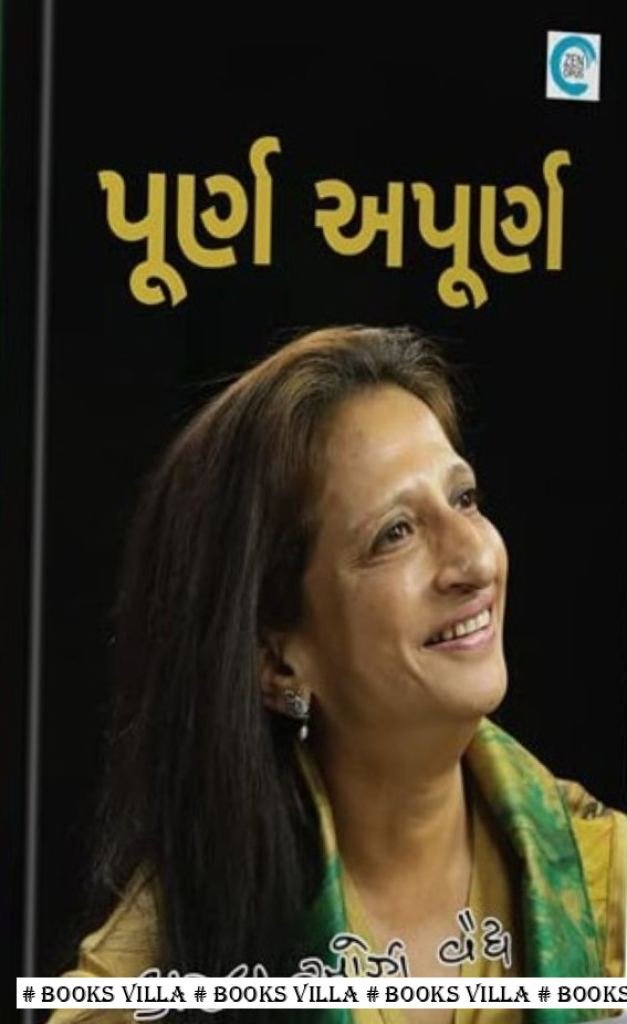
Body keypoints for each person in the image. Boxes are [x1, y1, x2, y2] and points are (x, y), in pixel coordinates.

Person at [47, 325, 625, 1024]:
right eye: (394, 533)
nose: (474, 561)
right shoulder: (170, 959)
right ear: (275, 659)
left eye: (464, 499)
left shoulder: (603, 887)